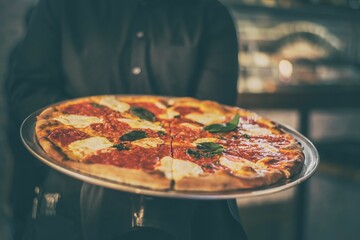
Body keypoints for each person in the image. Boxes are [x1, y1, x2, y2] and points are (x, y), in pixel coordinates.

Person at [5, 0, 245, 239]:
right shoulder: (60, 6)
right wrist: (92, 131)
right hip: (73, 201)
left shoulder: (212, 15)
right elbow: (28, 90)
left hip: (188, 207)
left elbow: (215, 121)